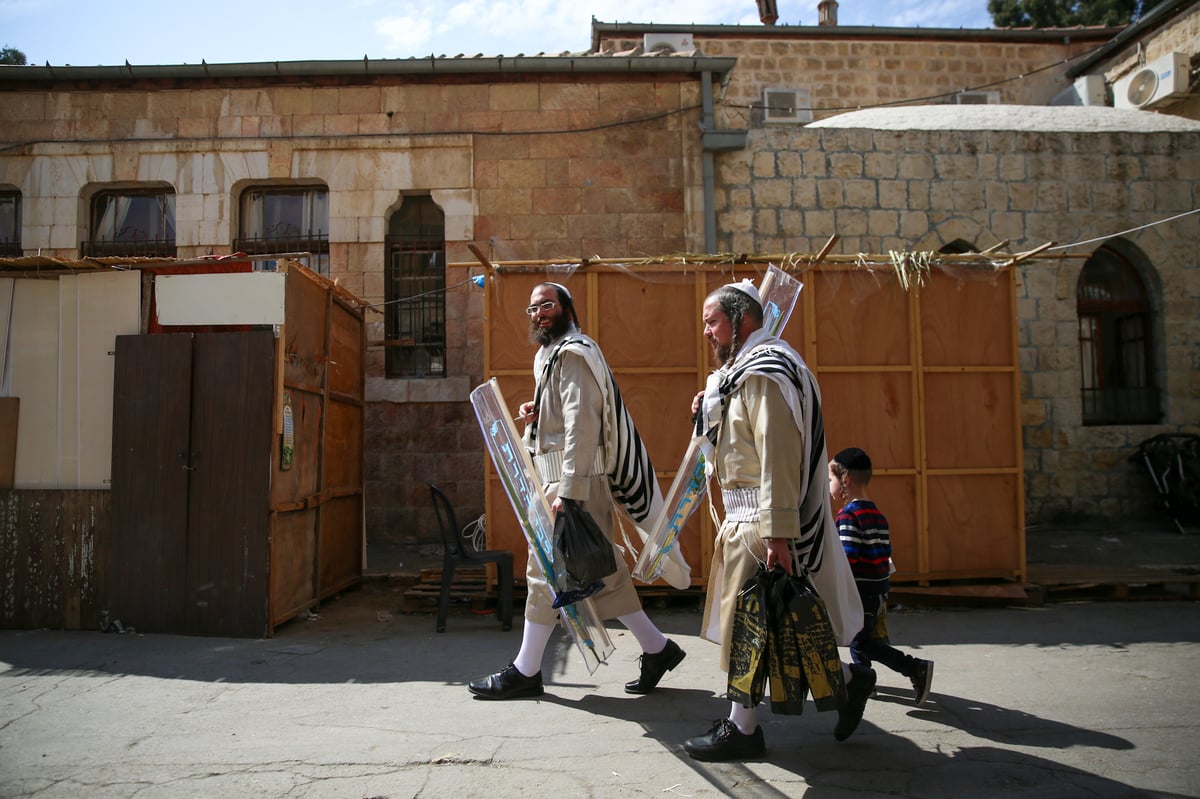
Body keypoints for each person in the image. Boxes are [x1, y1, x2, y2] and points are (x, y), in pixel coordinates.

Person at [683, 278, 875, 762]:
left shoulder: (765, 371)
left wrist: (777, 534)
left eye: (712, 322)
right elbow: (738, 441)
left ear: (741, 319)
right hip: (750, 522)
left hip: (759, 525)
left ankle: (743, 729)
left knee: (753, 629)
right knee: (775, 628)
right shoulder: (749, 369)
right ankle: (850, 681)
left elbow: (777, 456)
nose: (707, 332)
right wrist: (706, 413)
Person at [468, 281, 686, 700]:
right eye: (531, 308)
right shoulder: (549, 356)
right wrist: (537, 414)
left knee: (542, 574)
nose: (538, 314)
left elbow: (583, 425)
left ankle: (526, 670)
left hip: (571, 485)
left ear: (567, 308)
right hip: (560, 482)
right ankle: (659, 648)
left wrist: (568, 493)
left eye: (547, 305)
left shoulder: (574, 353)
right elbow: (564, 418)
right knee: (601, 574)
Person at [829, 446, 934, 705]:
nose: (828, 485)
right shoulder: (876, 513)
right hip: (877, 588)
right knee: (861, 638)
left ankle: (914, 667)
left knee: (862, 643)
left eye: (830, 479)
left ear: (846, 480)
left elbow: (847, 557)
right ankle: (866, 682)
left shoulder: (848, 515)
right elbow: (886, 554)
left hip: (860, 590)